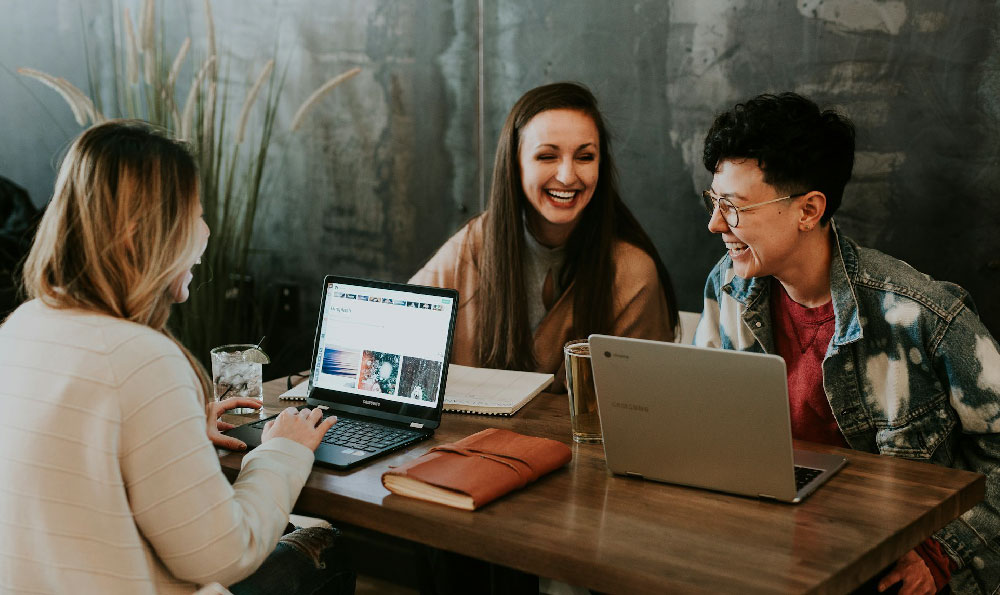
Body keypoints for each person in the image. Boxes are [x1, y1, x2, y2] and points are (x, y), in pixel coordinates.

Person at [0, 120, 354, 594]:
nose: (205, 234)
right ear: (137, 236)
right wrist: (282, 451)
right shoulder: (141, 358)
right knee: (326, 548)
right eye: (194, 215)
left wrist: (178, 429)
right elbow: (224, 556)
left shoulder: (22, 326)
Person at [694, 92, 1000, 594]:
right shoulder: (727, 286)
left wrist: (942, 551)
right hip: (769, 544)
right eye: (714, 201)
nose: (715, 224)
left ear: (809, 210)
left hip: (882, 561)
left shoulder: (919, 315)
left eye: (734, 208)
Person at [411, 82, 679, 389]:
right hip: (469, 437)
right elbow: (396, 336)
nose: (567, 176)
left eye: (585, 157)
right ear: (515, 164)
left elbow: (644, 404)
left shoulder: (633, 273)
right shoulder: (473, 245)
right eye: (547, 156)